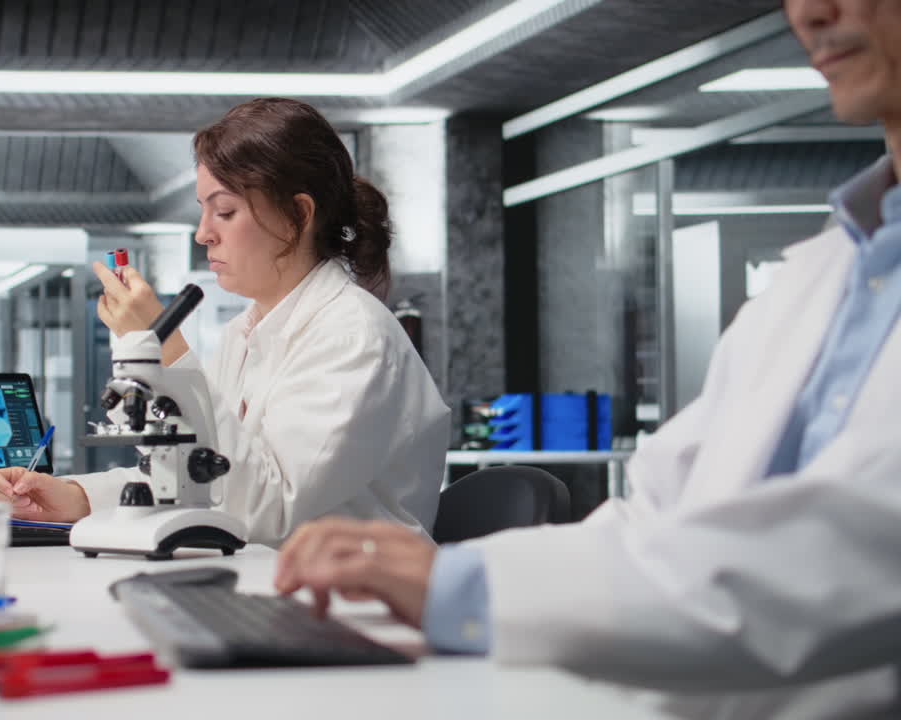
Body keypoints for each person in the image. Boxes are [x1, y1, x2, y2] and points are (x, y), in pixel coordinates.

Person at [275, 1, 901, 716]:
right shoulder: (819, 274)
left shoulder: (354, 332)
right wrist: (466, 588)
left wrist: (469, 590)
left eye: (225, 210)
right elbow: (660, 509)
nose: (811, 12)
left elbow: (856, 550)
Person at [0, 98, 450, 547]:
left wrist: (164, 348)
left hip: (361, 603)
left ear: (297, 216)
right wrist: (77, 496)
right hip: (274, 587)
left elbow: (272, 511)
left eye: (224, 211)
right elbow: (197, 476)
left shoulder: (354, 335)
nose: (203, 232)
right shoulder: (244, 334)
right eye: (203, 209)